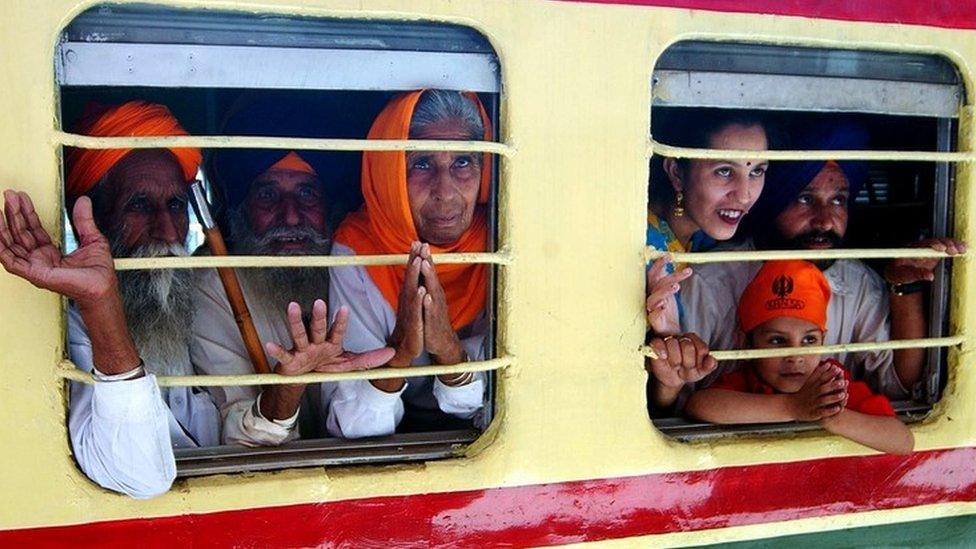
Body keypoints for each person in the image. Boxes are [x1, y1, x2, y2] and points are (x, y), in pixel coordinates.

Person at [670, 121, 966, 413]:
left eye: (838, 200)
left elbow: (898, 385)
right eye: (804, 198)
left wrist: (906, 288)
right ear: (773, 203)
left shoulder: (856, 282)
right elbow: (677, 402)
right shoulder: (710, 281)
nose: (825, 221)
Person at [0, 101, 217, 497]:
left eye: (176, 205)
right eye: (139, 205)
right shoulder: (69, 330)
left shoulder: (185, 300)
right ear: (95, 217)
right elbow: (140, 477)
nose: (167, 230)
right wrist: (101, 303)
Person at [191, 97, 393, 446]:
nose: (292, 216)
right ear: (241, 209)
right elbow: (238, 433)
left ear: (329, 205)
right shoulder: (215, 282)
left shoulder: (356, 266)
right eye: (268, 194)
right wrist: (285, 392)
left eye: (307, 193)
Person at [326, 89, 491, 438]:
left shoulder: (501, 239)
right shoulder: (359, 248)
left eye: (463, 162)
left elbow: (501, 402)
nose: (444, 192)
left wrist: (448, 351)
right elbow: (357, 427)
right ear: (388, 172)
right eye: (421, 164)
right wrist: (399, 351)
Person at [685, 260, 914, 455]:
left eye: (809, 340)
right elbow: (700, 405)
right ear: (746, 343)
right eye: (777, 341)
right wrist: (793, 407)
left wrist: (831, 417)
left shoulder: (830, 381)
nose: (795, 356)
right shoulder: (747, 378)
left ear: (823, 340)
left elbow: (903, 441)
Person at [645, 110, 769, 336]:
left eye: (757, 171)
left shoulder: (700, 238)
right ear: (676, 173)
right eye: (724, 171)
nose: (744, 195)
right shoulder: (643, 248)